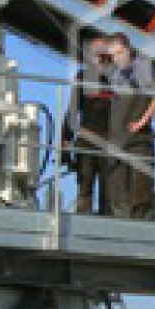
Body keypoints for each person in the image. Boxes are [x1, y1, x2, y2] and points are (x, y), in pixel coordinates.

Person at [106, 33, 155, 220]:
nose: (117, 58)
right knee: (117, 189)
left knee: (140, 190)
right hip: (117, 140)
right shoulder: (115, 75)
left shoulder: (143, 68)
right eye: (113, 55)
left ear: (128, 49)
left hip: (140, 140)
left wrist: (143, 120)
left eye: (120, 53)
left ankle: (141, 224)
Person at [62, 35, 116, 215]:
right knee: (85, 186)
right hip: (87, 137)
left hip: (110, 140)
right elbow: (72, 110)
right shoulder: (83, 76)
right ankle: (82, 222)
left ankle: (107, 226)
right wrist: (65, 143)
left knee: (108, 191)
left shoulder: (117, 78)